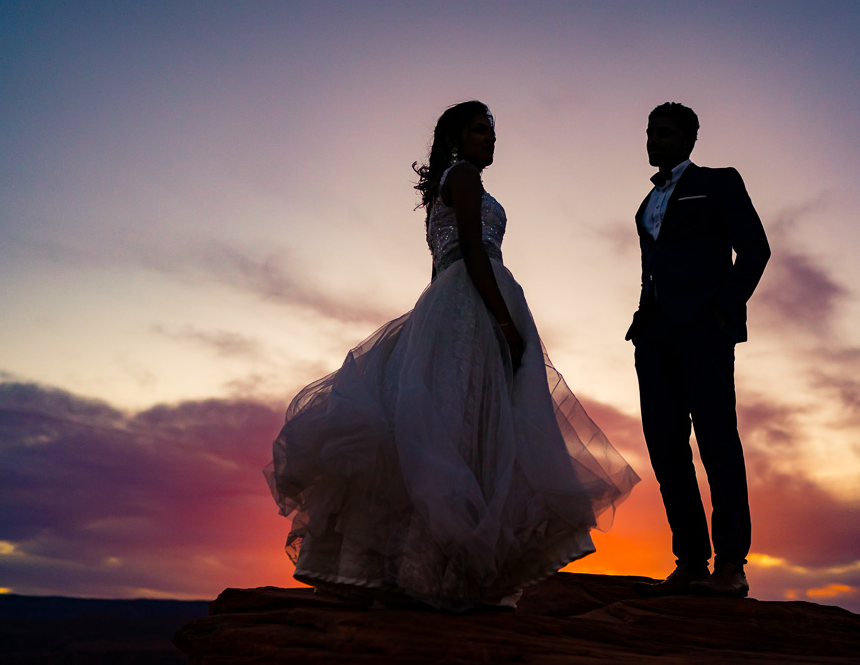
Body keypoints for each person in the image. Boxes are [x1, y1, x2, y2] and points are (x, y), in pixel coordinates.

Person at [266, 101, 639, 612]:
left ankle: (438, 569)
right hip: (472, 299)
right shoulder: (462, 176)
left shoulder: (454, 180)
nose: (491, 139)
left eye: (492, 131)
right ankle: (443, 571)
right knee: (464, 426)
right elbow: (470, 248)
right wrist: (503, 324)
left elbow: (446, 262)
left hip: (459, 297)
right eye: (481, 130)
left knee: (462, 423)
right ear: (457, 138)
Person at [626, 102, 770, 598]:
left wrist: (725, 307)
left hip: (703, 329)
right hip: (654, 334)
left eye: (664, 133)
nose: (654, 141)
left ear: (689, 138)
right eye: (650, 133)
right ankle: (690, 560)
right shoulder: (646, 205)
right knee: (665, 447)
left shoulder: (720, 181)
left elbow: (755, 247)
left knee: (716, 441)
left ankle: (731, 564)